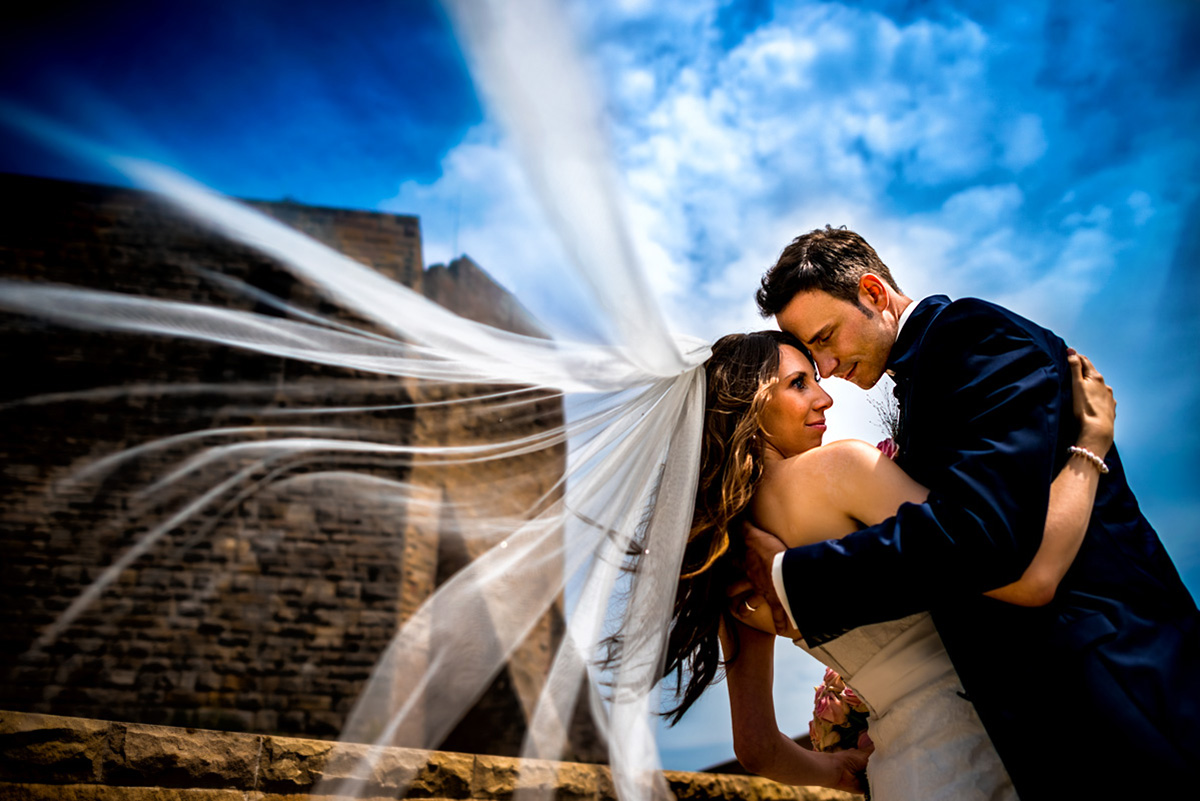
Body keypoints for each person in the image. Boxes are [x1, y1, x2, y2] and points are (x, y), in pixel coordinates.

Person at [739, 226, 1200, 799]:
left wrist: (795, 577)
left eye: (827, 338)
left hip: (1119, 679)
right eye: (811, 357)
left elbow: (989, 543)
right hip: (1045, 715)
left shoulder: (975, 337)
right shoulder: (927, 371)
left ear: (874, 293)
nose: (828, 369)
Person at [662, 330, 1115, 798]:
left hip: (902, 776)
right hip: (994, 746)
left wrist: (841, 769)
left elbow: (756, 747)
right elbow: (1017, 574)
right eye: (799, 384)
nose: (824, 399)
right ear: (748, 404)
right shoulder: (839, 471)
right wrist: (1092, 445)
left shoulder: (727, 558)